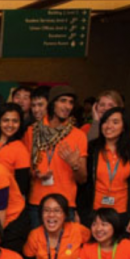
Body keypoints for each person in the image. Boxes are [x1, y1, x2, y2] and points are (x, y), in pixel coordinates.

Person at [28, 85, 88, 228]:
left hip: (65, 203)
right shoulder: (33, 131)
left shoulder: (78, 135)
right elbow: (26, 170)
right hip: (37, 202)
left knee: (65, 248)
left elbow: (83, 178)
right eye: (63, 101)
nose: (67, 106)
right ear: (52, 103)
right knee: (37, 247)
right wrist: (37, 173)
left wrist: (74, 164)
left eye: (71, 102)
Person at [78, 107, 130, 234]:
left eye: (115, 122)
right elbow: (83, 183)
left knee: (118, 251)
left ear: (124, 126)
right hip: (94, 211)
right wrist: (80, 211)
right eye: (106, 121)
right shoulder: (92, 148)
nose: (108, 126)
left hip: (121, 212)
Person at [0, 103, 31, 198]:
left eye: (15, 121)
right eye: (6, 120)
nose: (10, 125)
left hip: (8, 201)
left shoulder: (20, 149)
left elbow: (22, 187)